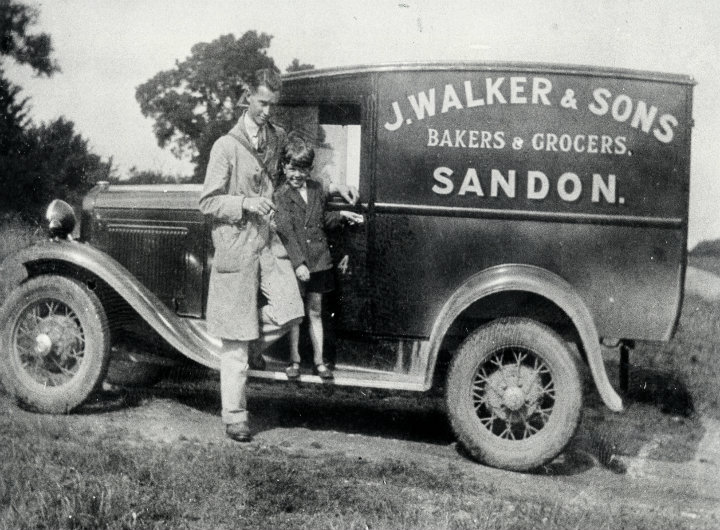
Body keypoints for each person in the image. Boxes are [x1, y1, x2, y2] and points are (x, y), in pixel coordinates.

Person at [200, 67, 359, 442]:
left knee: (291, 310)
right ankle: (235, 415)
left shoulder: (278, 138)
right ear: (246, 98)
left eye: (272, 104)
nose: (267, 111)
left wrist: (339, 185)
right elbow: (207, 202)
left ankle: (252, 342)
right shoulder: (225, 146)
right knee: (235, 341)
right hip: (237, 249)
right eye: (261, 103)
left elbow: (308, 167)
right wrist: (246, 203)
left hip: (270, 247)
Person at [274, 136, 363, 380]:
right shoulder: (280, 196)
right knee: (295, 315)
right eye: (292, 168)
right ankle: (294, 360)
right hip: (299, 265)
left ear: (309, 170)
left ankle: (319, 361)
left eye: (303, 169)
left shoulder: (316, 189)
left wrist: (342, 214)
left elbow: (321, 220)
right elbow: (287, 232)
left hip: (320, 262)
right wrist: (298, 263)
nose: (297, 174)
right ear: (284, 167)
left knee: (315, 312)